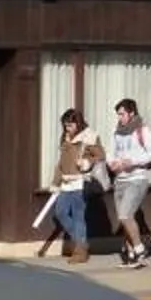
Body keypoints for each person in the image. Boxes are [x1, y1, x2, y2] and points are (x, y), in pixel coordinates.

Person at [39, 109, 101, 262]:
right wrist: (55, 182)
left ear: (78, 124)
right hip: (66, 183)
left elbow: (100, 155)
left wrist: (87, 162)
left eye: (70, 125)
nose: (67, 129)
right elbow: (61, 163)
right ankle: (82, 243)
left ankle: (80, 252)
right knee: (60, 212)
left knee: (79, 217)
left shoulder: (89, 137)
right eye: (65, 126)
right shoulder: (65, 138)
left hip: (80, 182)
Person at [107, 98, 151, 267]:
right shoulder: (117, 132)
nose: (120, 118)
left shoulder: (142, 131)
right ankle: (131, 255)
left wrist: (132, 161)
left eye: (122, 114)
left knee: (125, 215)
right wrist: (112, 163)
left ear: (132, 113)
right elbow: (110, 153)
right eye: (118, 114)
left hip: (137, 178)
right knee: (124, 218)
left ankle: (139, 249)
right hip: (120, 180)